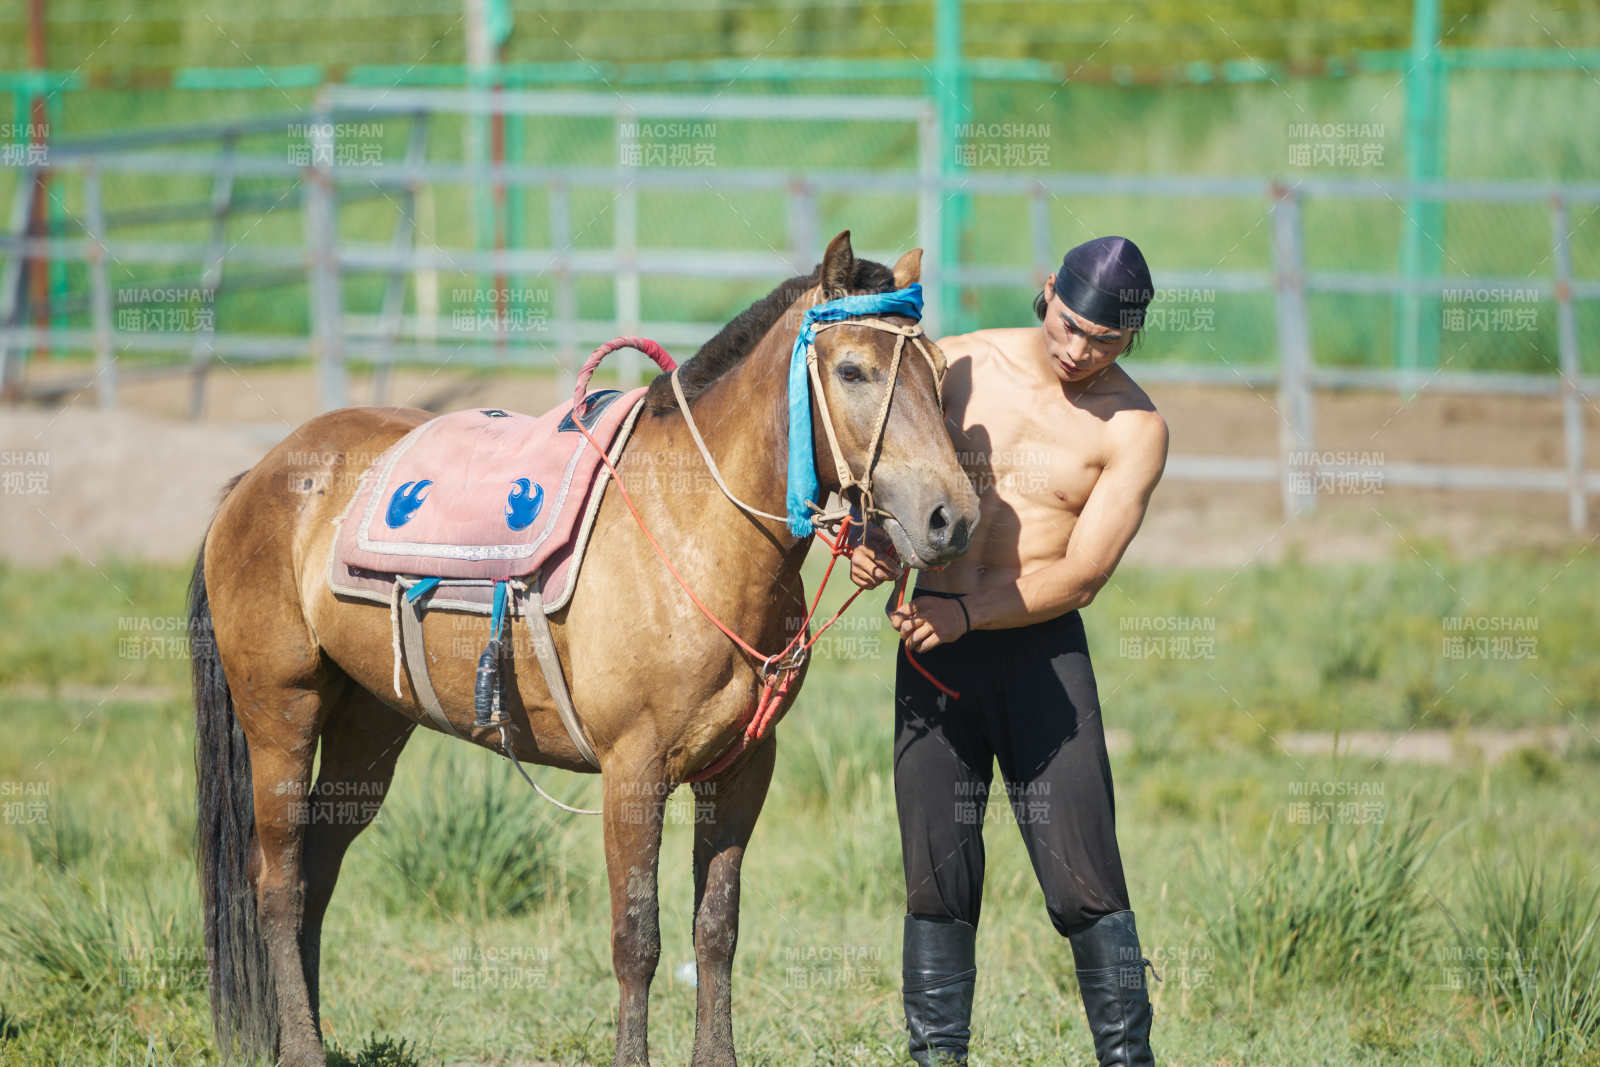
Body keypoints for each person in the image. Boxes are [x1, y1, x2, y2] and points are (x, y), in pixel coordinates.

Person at [850, 236, 1169, 1066]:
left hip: (1041, 661)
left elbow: (1083, 573)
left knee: (1086, 882)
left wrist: (967, 615)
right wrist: (873, 543)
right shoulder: (956, 364)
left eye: (1104, 340)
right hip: (935, 658)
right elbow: (890, 477)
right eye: (1070, 325)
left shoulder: (1135, 428)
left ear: (1131, 336)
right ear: (1049, 290)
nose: (1079, 350)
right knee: (936, 881)